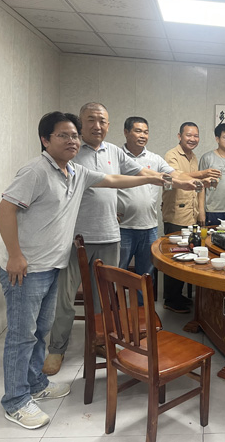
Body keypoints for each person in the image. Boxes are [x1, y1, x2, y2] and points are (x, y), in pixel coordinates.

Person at [0, 112, 166, 429]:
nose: (72, 141)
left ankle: (35, 384)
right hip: (27, 269)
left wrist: (151, 178)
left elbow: (113, 180)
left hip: (53, 265)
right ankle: (15, 401)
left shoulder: (75, 171)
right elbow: (4, 209)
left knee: (39, 332)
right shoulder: (35, 170)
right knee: (21, 337)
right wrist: (15, 255)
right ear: (45, 139)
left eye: (74, 135)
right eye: (63, 135)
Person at [43, 103, 194, 375]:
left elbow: (141, 172)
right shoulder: (72, 151)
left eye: (102, 121)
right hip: (75, 239)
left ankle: (101, 341)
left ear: (109, 125)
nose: (97, 126)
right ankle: (57, 348)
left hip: (110, 236)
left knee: (105, 297)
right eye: (91, 120)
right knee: (65, 298)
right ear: (80, 123)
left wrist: (173, 180)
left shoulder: (114, 151)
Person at [117, 116, 186, 306]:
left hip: (149, 228)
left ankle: (143, 313)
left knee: (146, 276)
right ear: (126, 132)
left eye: (146, 132)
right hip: (122, 228)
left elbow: (175, 175)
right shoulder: (117, 156)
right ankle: (116, 314)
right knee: (117, 274)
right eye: (138, 131)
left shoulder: (154, 159)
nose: (143, 135)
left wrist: (197, 178)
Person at [162, 122, 221, 313]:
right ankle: (170, 299)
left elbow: (196, 184)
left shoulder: (193, 157)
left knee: (186, 256)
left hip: (191, 214)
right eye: (189, 135)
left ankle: (177, 295)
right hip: (175, 214)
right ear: (179, 136)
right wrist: (202, 174)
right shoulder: (171, 155)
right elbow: (175, 177)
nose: (193, 139)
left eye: (196, 136)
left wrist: (205, 184)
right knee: (174, 257)